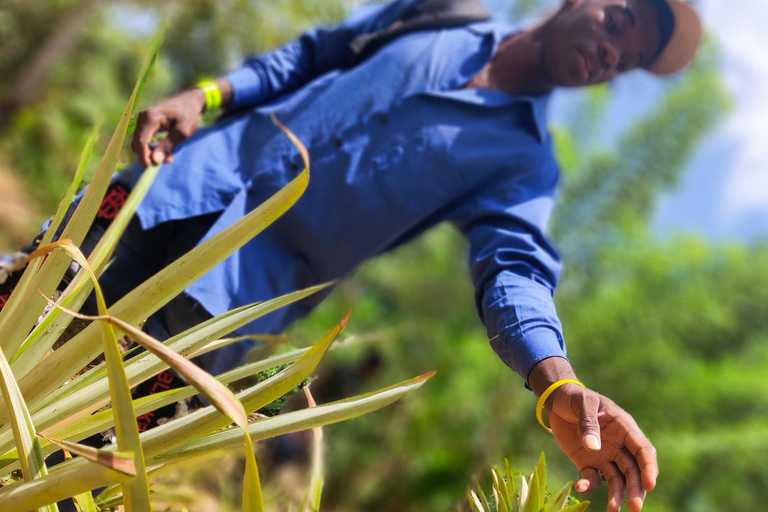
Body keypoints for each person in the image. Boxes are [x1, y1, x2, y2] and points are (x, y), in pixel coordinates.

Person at [5, 0, 702, 511]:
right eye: (618, 24)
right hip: (173, 184)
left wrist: (556, 382)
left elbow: (514, 271)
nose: (615, 53)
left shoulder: (524, 166)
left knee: (73, 449)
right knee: (19, 321)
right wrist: (206, 95)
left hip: (221, 301)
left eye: (630, 58)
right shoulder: (446, 14)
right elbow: (311, 56)